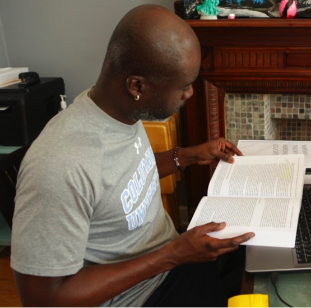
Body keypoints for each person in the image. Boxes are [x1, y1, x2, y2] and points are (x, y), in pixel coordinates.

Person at [11, 4, 255, 308]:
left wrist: (188, 156)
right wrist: (173, 255)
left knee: (264, 254)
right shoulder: (58, 165)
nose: (189, 94)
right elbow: (43, 299)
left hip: (170, 260)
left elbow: (120, 180)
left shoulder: (119, 111)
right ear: (137, 85)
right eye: (183, 87)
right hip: (141, 296)